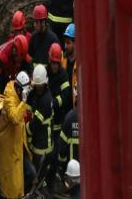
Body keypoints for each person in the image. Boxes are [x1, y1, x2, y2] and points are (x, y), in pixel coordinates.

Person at [0, 71, 31, 198]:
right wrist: (24, 102)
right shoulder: (9, 99)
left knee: (19, 180)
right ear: (19, 88)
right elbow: (14, 117)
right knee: (11, 184)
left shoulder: (17, 91)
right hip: (10, 146)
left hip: (18, 142)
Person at [46, 42, 72, 191]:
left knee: (55, 155)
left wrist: (55, 102)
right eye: (53, 63)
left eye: (57, 63)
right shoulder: (45, 72)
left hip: (57, 123)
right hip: (46, 122)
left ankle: (51, 183)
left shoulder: (63, 75)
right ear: (50, 61)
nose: (55, 66)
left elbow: (67, 95)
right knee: (45, 157)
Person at [26, 65, 54, 195]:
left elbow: (36, 124)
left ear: (44, 83)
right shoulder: (36, 92)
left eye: (39, 85)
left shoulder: (46, 99)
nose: (37, 86)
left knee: (37, 179)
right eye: (36, 84)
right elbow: (27, 106)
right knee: (35, 176)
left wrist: (24, 129)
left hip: (43, 145)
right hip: (37, 140)